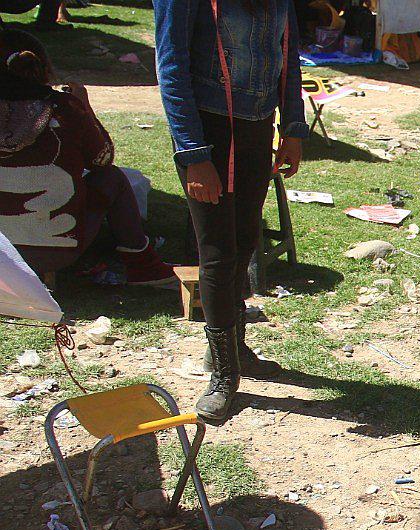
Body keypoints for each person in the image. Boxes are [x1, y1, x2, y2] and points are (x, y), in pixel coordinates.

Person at [154, 0, 306, 426]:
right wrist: (194, 154)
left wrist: (292, 128)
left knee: (244, 243)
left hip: (257, 128)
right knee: (219, 251)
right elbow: (172, 69)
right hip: (208, 131)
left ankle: (234, 348)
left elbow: (287, 57)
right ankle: (223, 375)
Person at [0, 31, 177, 286]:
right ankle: (142, 264)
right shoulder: (66, 109)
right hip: (55, 252)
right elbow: (102, 161)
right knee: (112, 178)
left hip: (4, 254)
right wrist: (85, 108)